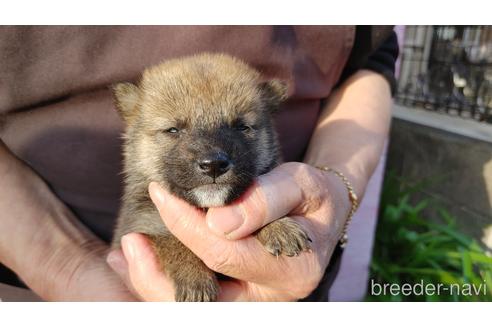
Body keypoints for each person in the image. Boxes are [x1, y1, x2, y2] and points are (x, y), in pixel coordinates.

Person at [0, 26, 398, 301]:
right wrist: (65, 270)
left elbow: (373, 60)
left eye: (241, 127)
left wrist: (332, 192)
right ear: (133, 118)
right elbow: (147, 236)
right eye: (173, 131)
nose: (212, 156)